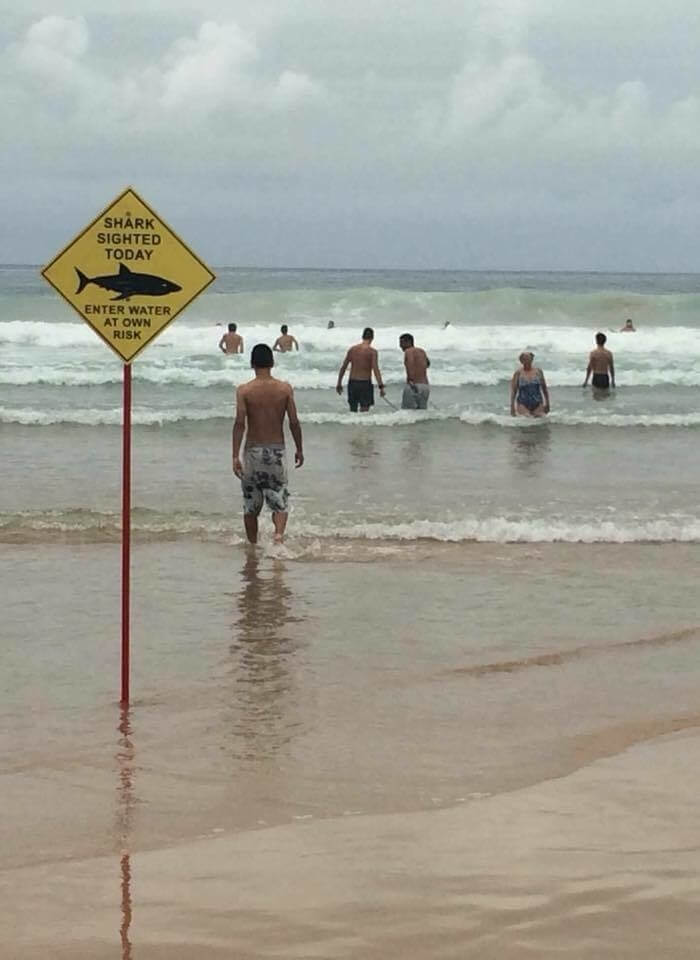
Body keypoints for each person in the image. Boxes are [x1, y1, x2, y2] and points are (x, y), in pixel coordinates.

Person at [232, 343, 303, 544]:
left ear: (252, 363)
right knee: (279, 501)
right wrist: (299, 448)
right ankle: (278, 536)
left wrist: (235, 455)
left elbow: (239, 423)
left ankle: (253, 545)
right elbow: (294, 422)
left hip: (252, 452)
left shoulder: (244, 391)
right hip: (276, 451)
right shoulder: (284, 389)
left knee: (251, 506)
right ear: (272, 362)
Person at [336, 327, 386, 412]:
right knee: (364, 413)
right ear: (372, 338)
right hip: (365, 384)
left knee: (353, 411)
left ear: (362, 336)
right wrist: (381, 386)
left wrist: (339, 383)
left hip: (352, 383)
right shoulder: (372, 352)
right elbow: (375, 369)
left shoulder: (352, 349)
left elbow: (343, 367)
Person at [510, 351, 550, 417]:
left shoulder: (538, 371)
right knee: (526, 419)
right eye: (525, 359)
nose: (527, 360)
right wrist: (512, 407)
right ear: (521, 361)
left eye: (529, 358)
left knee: (540, 418)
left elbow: (544, 388)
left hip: (538, 402)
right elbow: (514, 391)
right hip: (522, 403)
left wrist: (547, 403)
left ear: (532, 359)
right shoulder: (518, 373)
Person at [399, 333, 430, 409]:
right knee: (421, 413)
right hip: (425, 386)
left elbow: (410, 363)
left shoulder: (408, 351)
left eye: (401, 343)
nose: (400, 346)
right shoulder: (422, 351)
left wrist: (411, 380)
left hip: (414, 386)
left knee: (407, 413)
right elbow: (428, 364)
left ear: (408, 342)